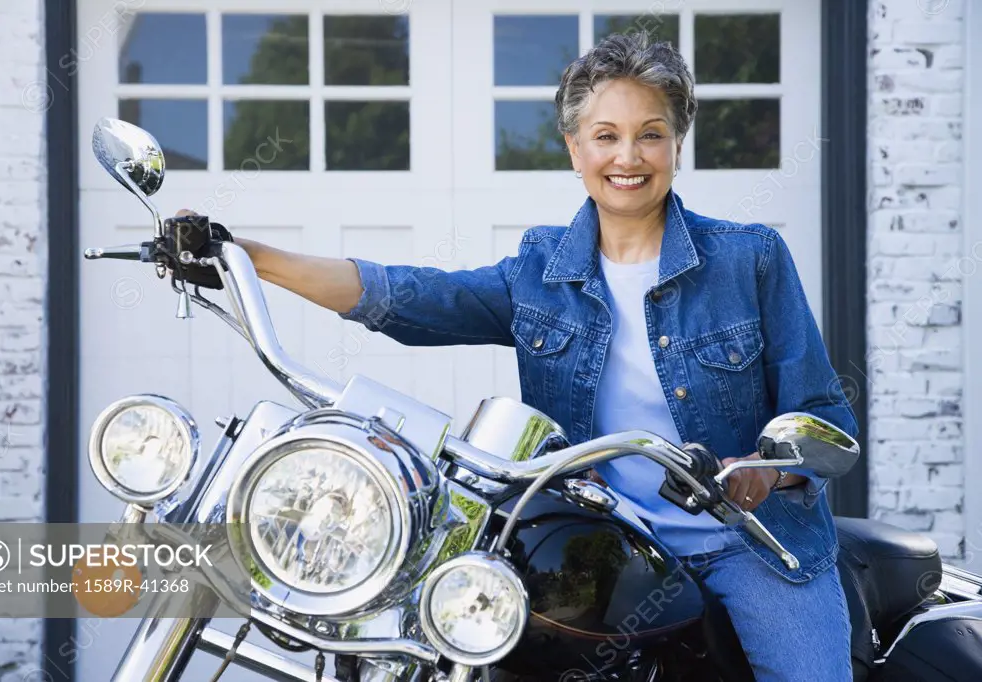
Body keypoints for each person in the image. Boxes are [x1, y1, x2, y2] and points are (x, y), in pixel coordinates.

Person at [179, 31, 857, 682]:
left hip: (751, 545)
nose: (629, 156)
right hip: (598, 549)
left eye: (651, 134)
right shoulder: (540, 268)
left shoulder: (749, 258)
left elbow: (825, 415)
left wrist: (764, 473)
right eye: (606, 136)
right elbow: (412, 297)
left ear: (677, 144)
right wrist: (250, 257)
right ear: (574, 149)